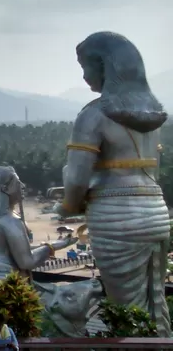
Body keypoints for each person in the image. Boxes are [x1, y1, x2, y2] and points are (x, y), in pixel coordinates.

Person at [50, 31, 171, 336]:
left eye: (85, 67)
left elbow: (76, 177)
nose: (84, 75)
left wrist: (67, 206)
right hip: (156, 214)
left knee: (126, 310)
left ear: (104, 67)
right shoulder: (151, 116)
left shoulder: (93, 115)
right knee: (156, 304)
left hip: (116, 219)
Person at [0, 166, 77, 305]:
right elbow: (26, 262)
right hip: (7, 279)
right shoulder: (10, 221)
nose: (23, 186)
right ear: (5, 188)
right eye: (18, 182)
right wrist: (51, 247)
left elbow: (13, 251)